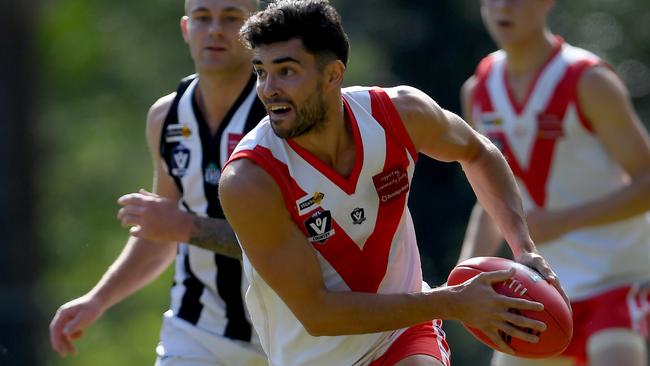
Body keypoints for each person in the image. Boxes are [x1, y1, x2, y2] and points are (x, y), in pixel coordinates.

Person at [218, 1, 566, 365]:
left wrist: (523, 248)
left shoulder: (399, 114)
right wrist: (453, 301)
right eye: (261, 72)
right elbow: (318, 313)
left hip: (405, 335)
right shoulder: (250, 180)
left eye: (286, 71)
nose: (268, 89)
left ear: (333, 75)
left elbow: (478, 153)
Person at [49, 1, 268, 365]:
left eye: (231, 18)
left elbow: (297, 241)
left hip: (284, 335)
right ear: (186, 29)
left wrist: (184, 226)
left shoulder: (281, 113)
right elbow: (162, 236)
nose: (214, 29)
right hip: (195, 332)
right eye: (202, 18)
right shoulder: (166, 117)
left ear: (254, 30)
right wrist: (98, 299)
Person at [457, 1, 650, 366]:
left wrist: (561, 221)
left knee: (618, 356)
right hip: (539, 284)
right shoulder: (477, 91)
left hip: (615, 272)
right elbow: (488, 198)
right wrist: (462, 276)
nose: (502, 8)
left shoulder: (590, 79)